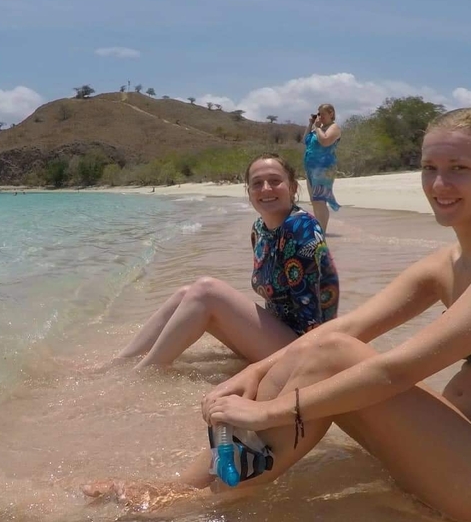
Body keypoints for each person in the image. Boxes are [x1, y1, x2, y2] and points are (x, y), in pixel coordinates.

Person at [87, 109, 471, 522]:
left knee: (331, 357)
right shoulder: (448, 264)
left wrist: (267, 411)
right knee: (326, 344)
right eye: (430, 168)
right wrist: (249, 376)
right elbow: (345, 327)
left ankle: (187, 498)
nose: (440, 184)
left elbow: (397, 370)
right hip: (453, 446)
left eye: (459, 169)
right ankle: (201, 483)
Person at [115, 154, 340, 370]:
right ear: (249, 191)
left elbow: (312, 325)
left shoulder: (301, 229)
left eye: (275, 181)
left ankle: (145, 372)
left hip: (305, 350)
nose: (266, 189)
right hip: (280, 337)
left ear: (292, 187)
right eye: (257, 183)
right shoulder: (260, 229)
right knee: (187, 293)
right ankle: (121, 362)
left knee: (206, 291)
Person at [302, 103, 342, 233]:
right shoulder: (317, 129)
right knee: (314, 201)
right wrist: (311, 124)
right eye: (319, 114)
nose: (321, 117)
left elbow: (325, 141)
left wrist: (318, 128)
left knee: (320, 200)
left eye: (323, 114)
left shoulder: (334, 128)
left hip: (324, 169)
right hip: (310, 169)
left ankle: (322, 232)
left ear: (331, 113)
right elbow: (305, 140)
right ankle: (319, 229)